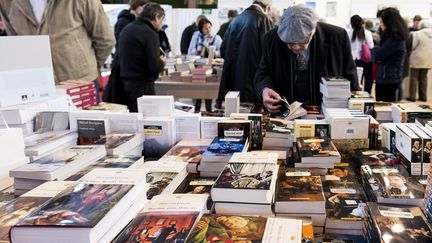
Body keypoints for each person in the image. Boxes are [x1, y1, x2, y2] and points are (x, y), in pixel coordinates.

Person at [0, 0, 115, 102]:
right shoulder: (7, 2)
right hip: (34, 89)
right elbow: (15, 43)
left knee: (86, 124)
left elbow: (105, 39)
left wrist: (89, 68)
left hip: (79, 84)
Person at [255, 4, 359, 113]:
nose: (295, 47)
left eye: (301, 42)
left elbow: (350, 75)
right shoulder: (271, 39)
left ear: (313, 31)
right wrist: (264, 89)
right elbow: (262, 72)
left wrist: (354, 110)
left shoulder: (337, 37)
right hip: (285, 112)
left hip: (327, 111)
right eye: (289, 43)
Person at [217, 0, 274, 104]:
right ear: (267, 7)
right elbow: (269, 55)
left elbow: (223, 51)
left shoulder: (235, 21)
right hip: (254, 84)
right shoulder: (264, 19)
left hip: (233, 83)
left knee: (236, 116)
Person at [118, 2, 166, 112]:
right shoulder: (150, 33)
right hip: (143, 86)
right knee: (147, 124)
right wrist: (162, 62)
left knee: (132, 121)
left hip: (124, 84)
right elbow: (154, 66)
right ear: (156, 18)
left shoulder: (127, 29)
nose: (161, 23)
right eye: (162, 19)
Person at [372, 8, 408, 102]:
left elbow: (377, 55)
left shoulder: (395, 39)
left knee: (385, 111)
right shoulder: (390, 37)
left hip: (389, 80)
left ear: (389, 22)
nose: (380, 24)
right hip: (385, 78)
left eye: (381, 21)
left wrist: (375, 50)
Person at [188, 17, 222, 113]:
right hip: (198, 67)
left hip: (210, 69)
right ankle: (197, 111)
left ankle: (209, 111)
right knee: (198, 91)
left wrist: (213, 52)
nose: (208, 30)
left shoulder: (216, 38)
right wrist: (197, 52)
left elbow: (222, 52)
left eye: (210, 27)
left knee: (208, 91)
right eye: (206, 28)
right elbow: (190, 52)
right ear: (201, 29)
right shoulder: (196, 37)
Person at [347, 15, 374, 94]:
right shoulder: (367, 33)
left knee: (357, 80)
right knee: (368, 79)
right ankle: (367, 95)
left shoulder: (349, 33)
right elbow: (371, 46)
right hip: (366, 60)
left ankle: (357, 95)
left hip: (353, 60)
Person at [408, 22, 432, 102]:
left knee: (414, 77)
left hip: (417, 57)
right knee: (424, 77)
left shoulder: (418, 33)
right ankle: (423, 96)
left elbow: (413, 45)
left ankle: (412, 97)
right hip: (428, 58)